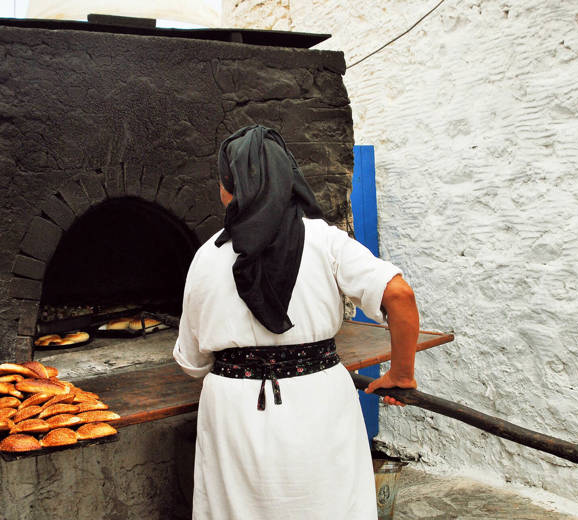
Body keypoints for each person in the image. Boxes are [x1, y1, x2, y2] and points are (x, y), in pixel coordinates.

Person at [173, 124, 419, 519]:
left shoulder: (206, 256)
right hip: (319, 399)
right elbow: (400, 295)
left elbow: (191, 363)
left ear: (228, 186)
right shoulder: (326, 241)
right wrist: (401, 373)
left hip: (233, 412)